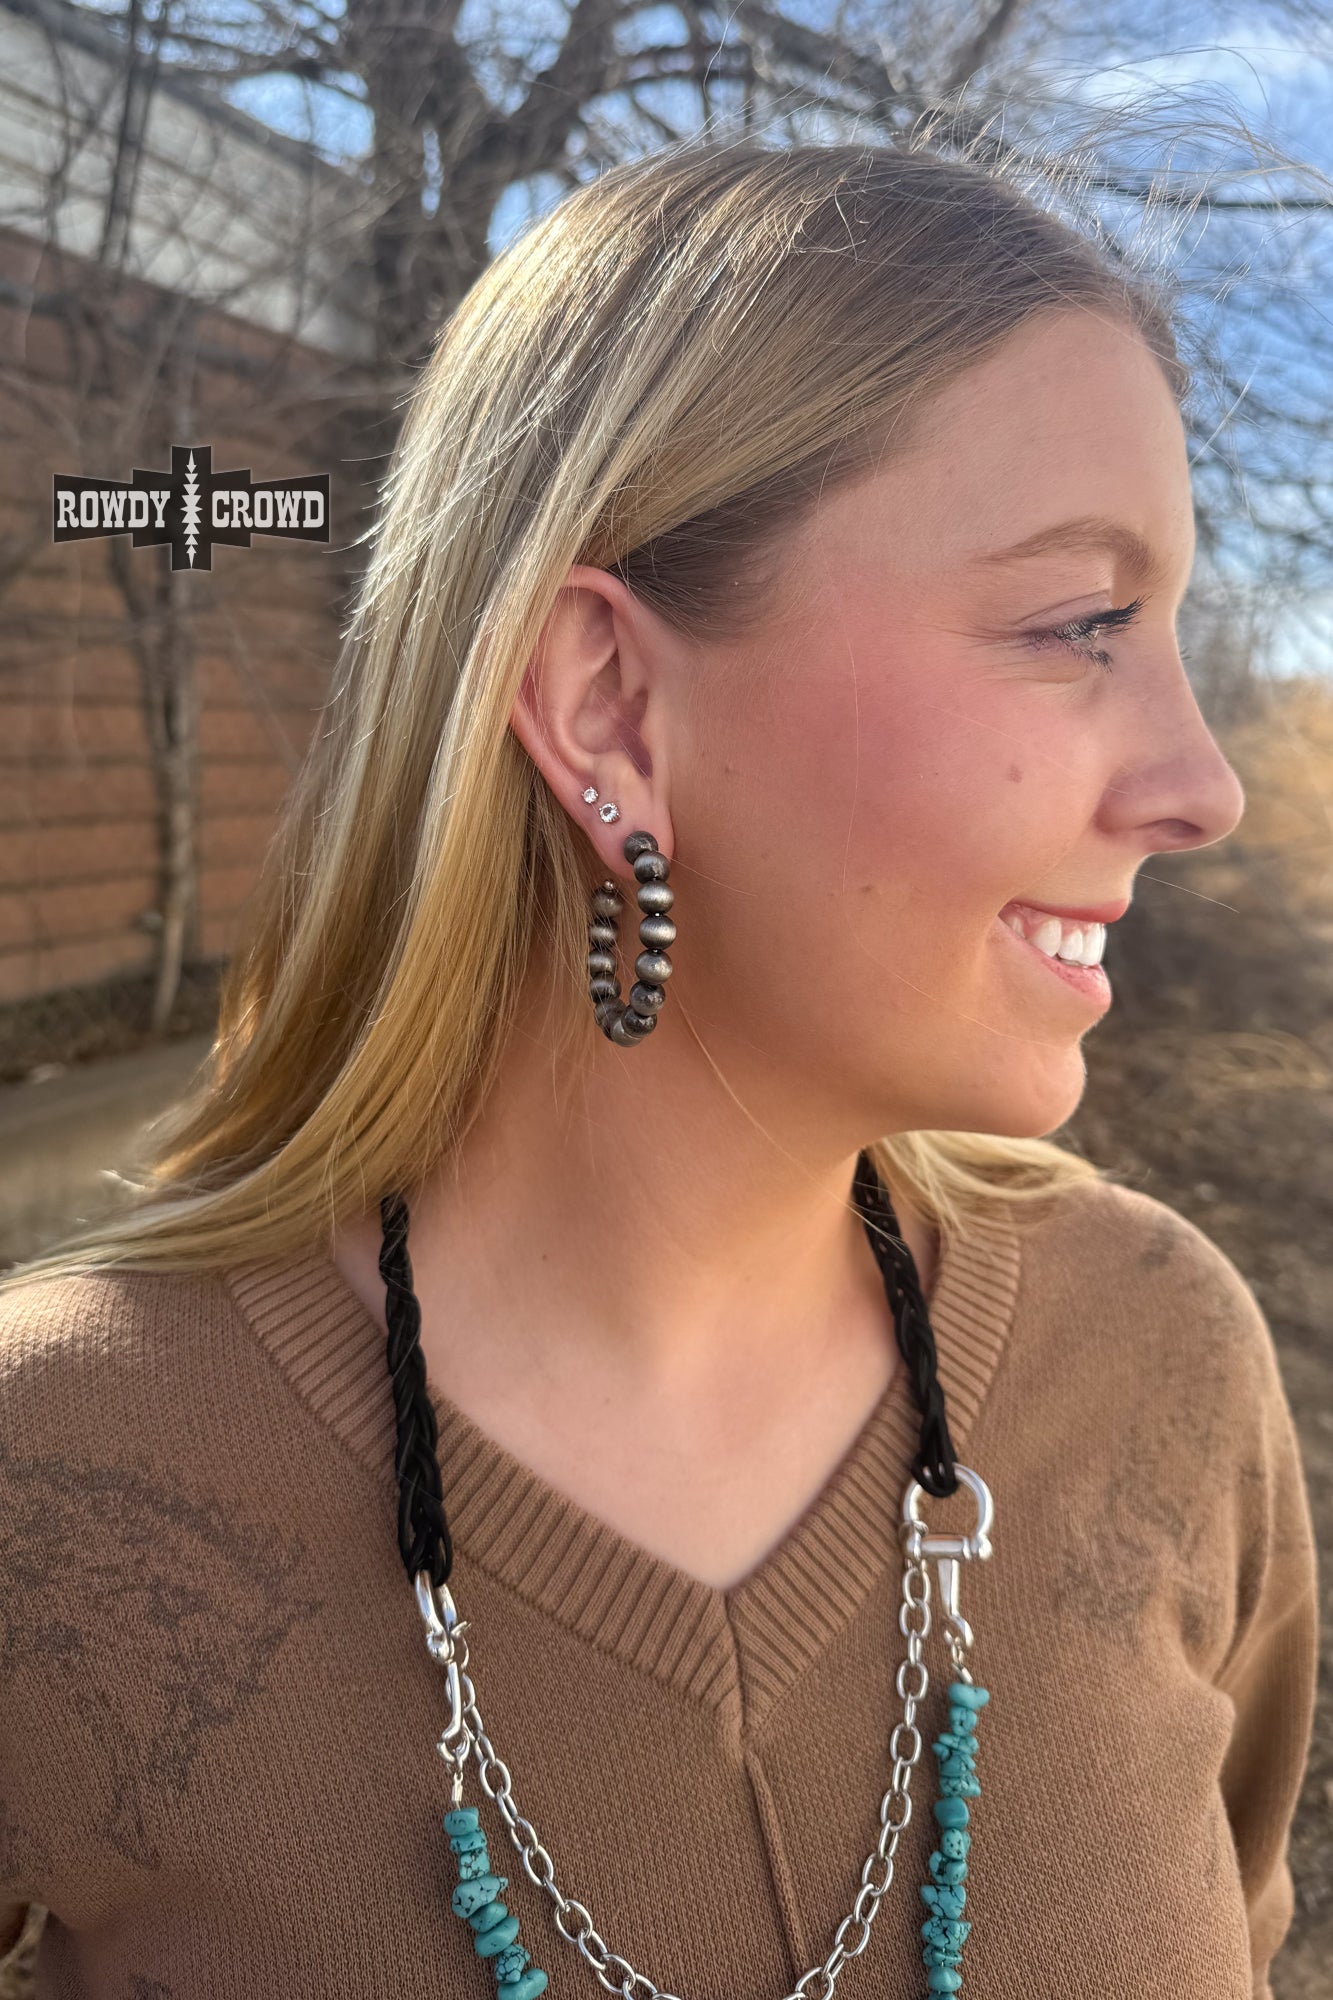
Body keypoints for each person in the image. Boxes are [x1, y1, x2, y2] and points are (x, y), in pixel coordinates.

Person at [0, 137, 1318, 2000]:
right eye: (1079, 625)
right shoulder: (57, 1482)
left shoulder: (1156, 1360)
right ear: (609, 704)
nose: (1202, 785)